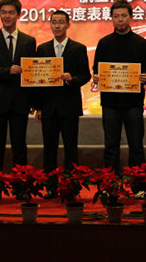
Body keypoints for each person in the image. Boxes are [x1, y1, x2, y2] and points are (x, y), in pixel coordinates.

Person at [92, 0, 146, 173]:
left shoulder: (140, 43)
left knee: (136, 145)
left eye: (123, 16)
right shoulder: (104, 43)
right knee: (111, 145)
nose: (120, 19)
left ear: (130, 17)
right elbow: (96, 68)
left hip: (133, 102)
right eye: (116, 16)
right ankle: (110, 183)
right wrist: (97, 77)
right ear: (111, 18)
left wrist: (145, 76)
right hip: (110, 103)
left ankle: (138, 182)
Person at [34, 10, 91, 190]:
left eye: (61, 22)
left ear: (68, 24)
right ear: (50, 25)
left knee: (71, 148)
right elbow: (37, 80)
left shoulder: (78, 48)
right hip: (48, 107)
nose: (57, 25)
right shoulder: (42, 49)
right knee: (49, 148)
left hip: (69, 106)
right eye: (54, 22)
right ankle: (50, 186)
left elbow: (86, 75)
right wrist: (38, 107)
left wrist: (72, 79)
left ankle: (71, 187)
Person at [0, 0, 36, 170]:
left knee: (19, 145)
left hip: (20, 101)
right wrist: (7, 71)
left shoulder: (29, 41)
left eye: (11, 12)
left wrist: (33, 101)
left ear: (18, 15)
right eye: (3, 12)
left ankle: (21, 181)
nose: (7, 16)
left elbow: (32, 73)